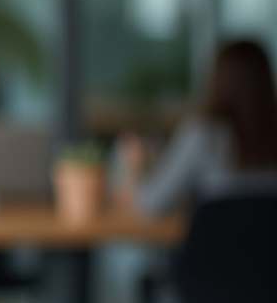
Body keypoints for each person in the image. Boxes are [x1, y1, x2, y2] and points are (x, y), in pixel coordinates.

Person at [117, 39, 277, 216]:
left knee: (123, 244)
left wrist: (136, 168)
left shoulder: (203, 135)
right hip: (268, 244)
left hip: (217, 243)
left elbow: (150, 204)